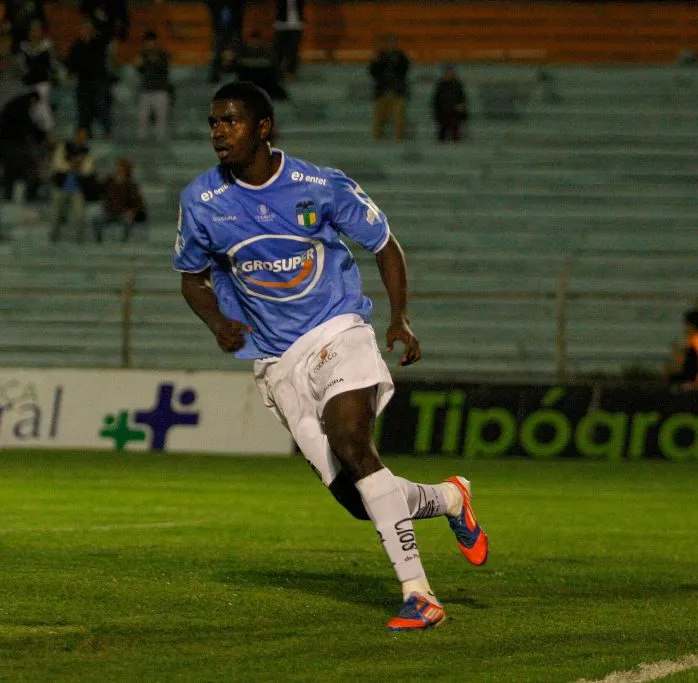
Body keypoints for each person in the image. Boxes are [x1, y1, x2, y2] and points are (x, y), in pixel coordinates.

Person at [173, 81, 488, 630]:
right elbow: (191, 278)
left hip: (338, 329)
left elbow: (385, 244)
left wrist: (398, 317)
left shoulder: (318, 185)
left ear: (263, 127)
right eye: (213, 123)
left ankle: (419, 594)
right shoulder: (201, 200)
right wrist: (217, 321)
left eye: (231, 121)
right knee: (359, 497)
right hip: (277, 361)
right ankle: (449, 498)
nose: (218, 132)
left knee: (351, 441)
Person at [0, 87, 53, 201]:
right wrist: (43, 136)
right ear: (33, 100)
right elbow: (29, 127)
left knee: (10, 171)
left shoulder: (13, 107)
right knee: (30, 168)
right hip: (12, 145)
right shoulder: (21, 109)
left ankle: (8, 196)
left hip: (6, 145)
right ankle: (29, 196)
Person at [50, 128, 99, 242]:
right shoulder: (64, 147)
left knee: (80, 216)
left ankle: (79, 240)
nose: (83, 139)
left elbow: (88, 169)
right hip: (61, 187)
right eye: (81, 136)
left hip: (77, 188)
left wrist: (78, 166)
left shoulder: (86, 150)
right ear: (76, 136)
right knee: (56, 215)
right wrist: (73, 164)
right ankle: (53, 239)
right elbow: (58, 164)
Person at [65, 19, 111, 139]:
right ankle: (85, 133)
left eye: (88, 29)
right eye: (84, 29)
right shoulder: (76, 46)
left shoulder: (99, 44)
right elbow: (71, 63)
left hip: (98, 80)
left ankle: (108, 132)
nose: (86, 31)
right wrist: (72, 72)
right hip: (83, 82)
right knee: (83, 109)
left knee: (102, 107)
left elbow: (100, 63)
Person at [369, 34, 409, 141]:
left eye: (393, 42)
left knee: (398, 121)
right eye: (389, 42)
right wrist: (375, 62)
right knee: (379, 121)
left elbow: (404, 70)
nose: (391, 45)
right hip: (382, 93)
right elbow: (373, 72)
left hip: (397, 93)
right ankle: (378, 142)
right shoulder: (379, 56)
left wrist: (396, 61)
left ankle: (398, 141)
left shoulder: (401, 56)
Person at [96, 156, 145, 242]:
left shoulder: (131, 184)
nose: (118, 169)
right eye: (118, 166)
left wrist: (132, 211)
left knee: (127, 222)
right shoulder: (109, 180)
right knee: (97, 220)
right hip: (109, 211)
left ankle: (124, 241)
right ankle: (99, 240)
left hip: (123, 212)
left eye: (121, 167)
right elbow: (99, 190)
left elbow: (137, 201)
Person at [136, 30, 172, 141]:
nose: (149, 44)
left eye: (151, 41)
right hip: (146, 89)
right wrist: (140, 64)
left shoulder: (163, 54)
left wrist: (153, 61)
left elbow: (164, 69)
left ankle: (161, 138)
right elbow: (139, 70)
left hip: (160, 90)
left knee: (161, 117)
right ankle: (142, 138)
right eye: (147, 42)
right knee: (143, 117)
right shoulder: (143, 54)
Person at [207, 0, 243, 84]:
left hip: (234, 28)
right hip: (219, 28)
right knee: (217, 50)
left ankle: (235, 72)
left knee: (235, 50)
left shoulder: (235, 3)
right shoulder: (216, 3)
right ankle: (215, 74)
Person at [432, 63, 467, 142]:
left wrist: (460, 108)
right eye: (448, 72)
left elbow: (462, 99)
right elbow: (437, 101)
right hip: (444, 113)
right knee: (443, 126)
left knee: (455, 126)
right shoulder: (441, 85)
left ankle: (456, 144)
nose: (450, 74)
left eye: (451, 72)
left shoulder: (457, 85)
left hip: (455, 113)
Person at [273, 0, 303, 81]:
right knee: (278, 51)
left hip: (295, 26)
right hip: (281, 26)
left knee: (292, 51)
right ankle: (277, 73)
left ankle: (290, 73)